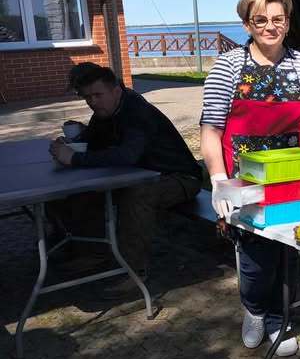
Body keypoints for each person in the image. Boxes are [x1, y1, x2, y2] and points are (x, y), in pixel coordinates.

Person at [200, 0, 300, 358]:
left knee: (289, 251)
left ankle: (278, 319)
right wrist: (218, 180)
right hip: (245, 180)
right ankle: (254, 309)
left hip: (293, 177)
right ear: (247, 24)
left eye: (277, 19)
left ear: (287, 23)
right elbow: (210, 129)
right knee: (256, 258)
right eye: (260, 20)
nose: (270, 27)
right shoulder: (228, 66)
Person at [48, 63, 203, 286]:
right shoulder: (106, 110)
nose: (93, 102)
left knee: (137, 195)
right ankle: (93, 252)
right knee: (80, 191)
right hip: (142, 174)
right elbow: (93, 139)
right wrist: (71, 144)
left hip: (179, 177)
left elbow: (128, 155)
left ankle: (133, 272)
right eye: (87, 97)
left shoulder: (136, 112)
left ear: (116, 90)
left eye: (97, 95)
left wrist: (74, 158)